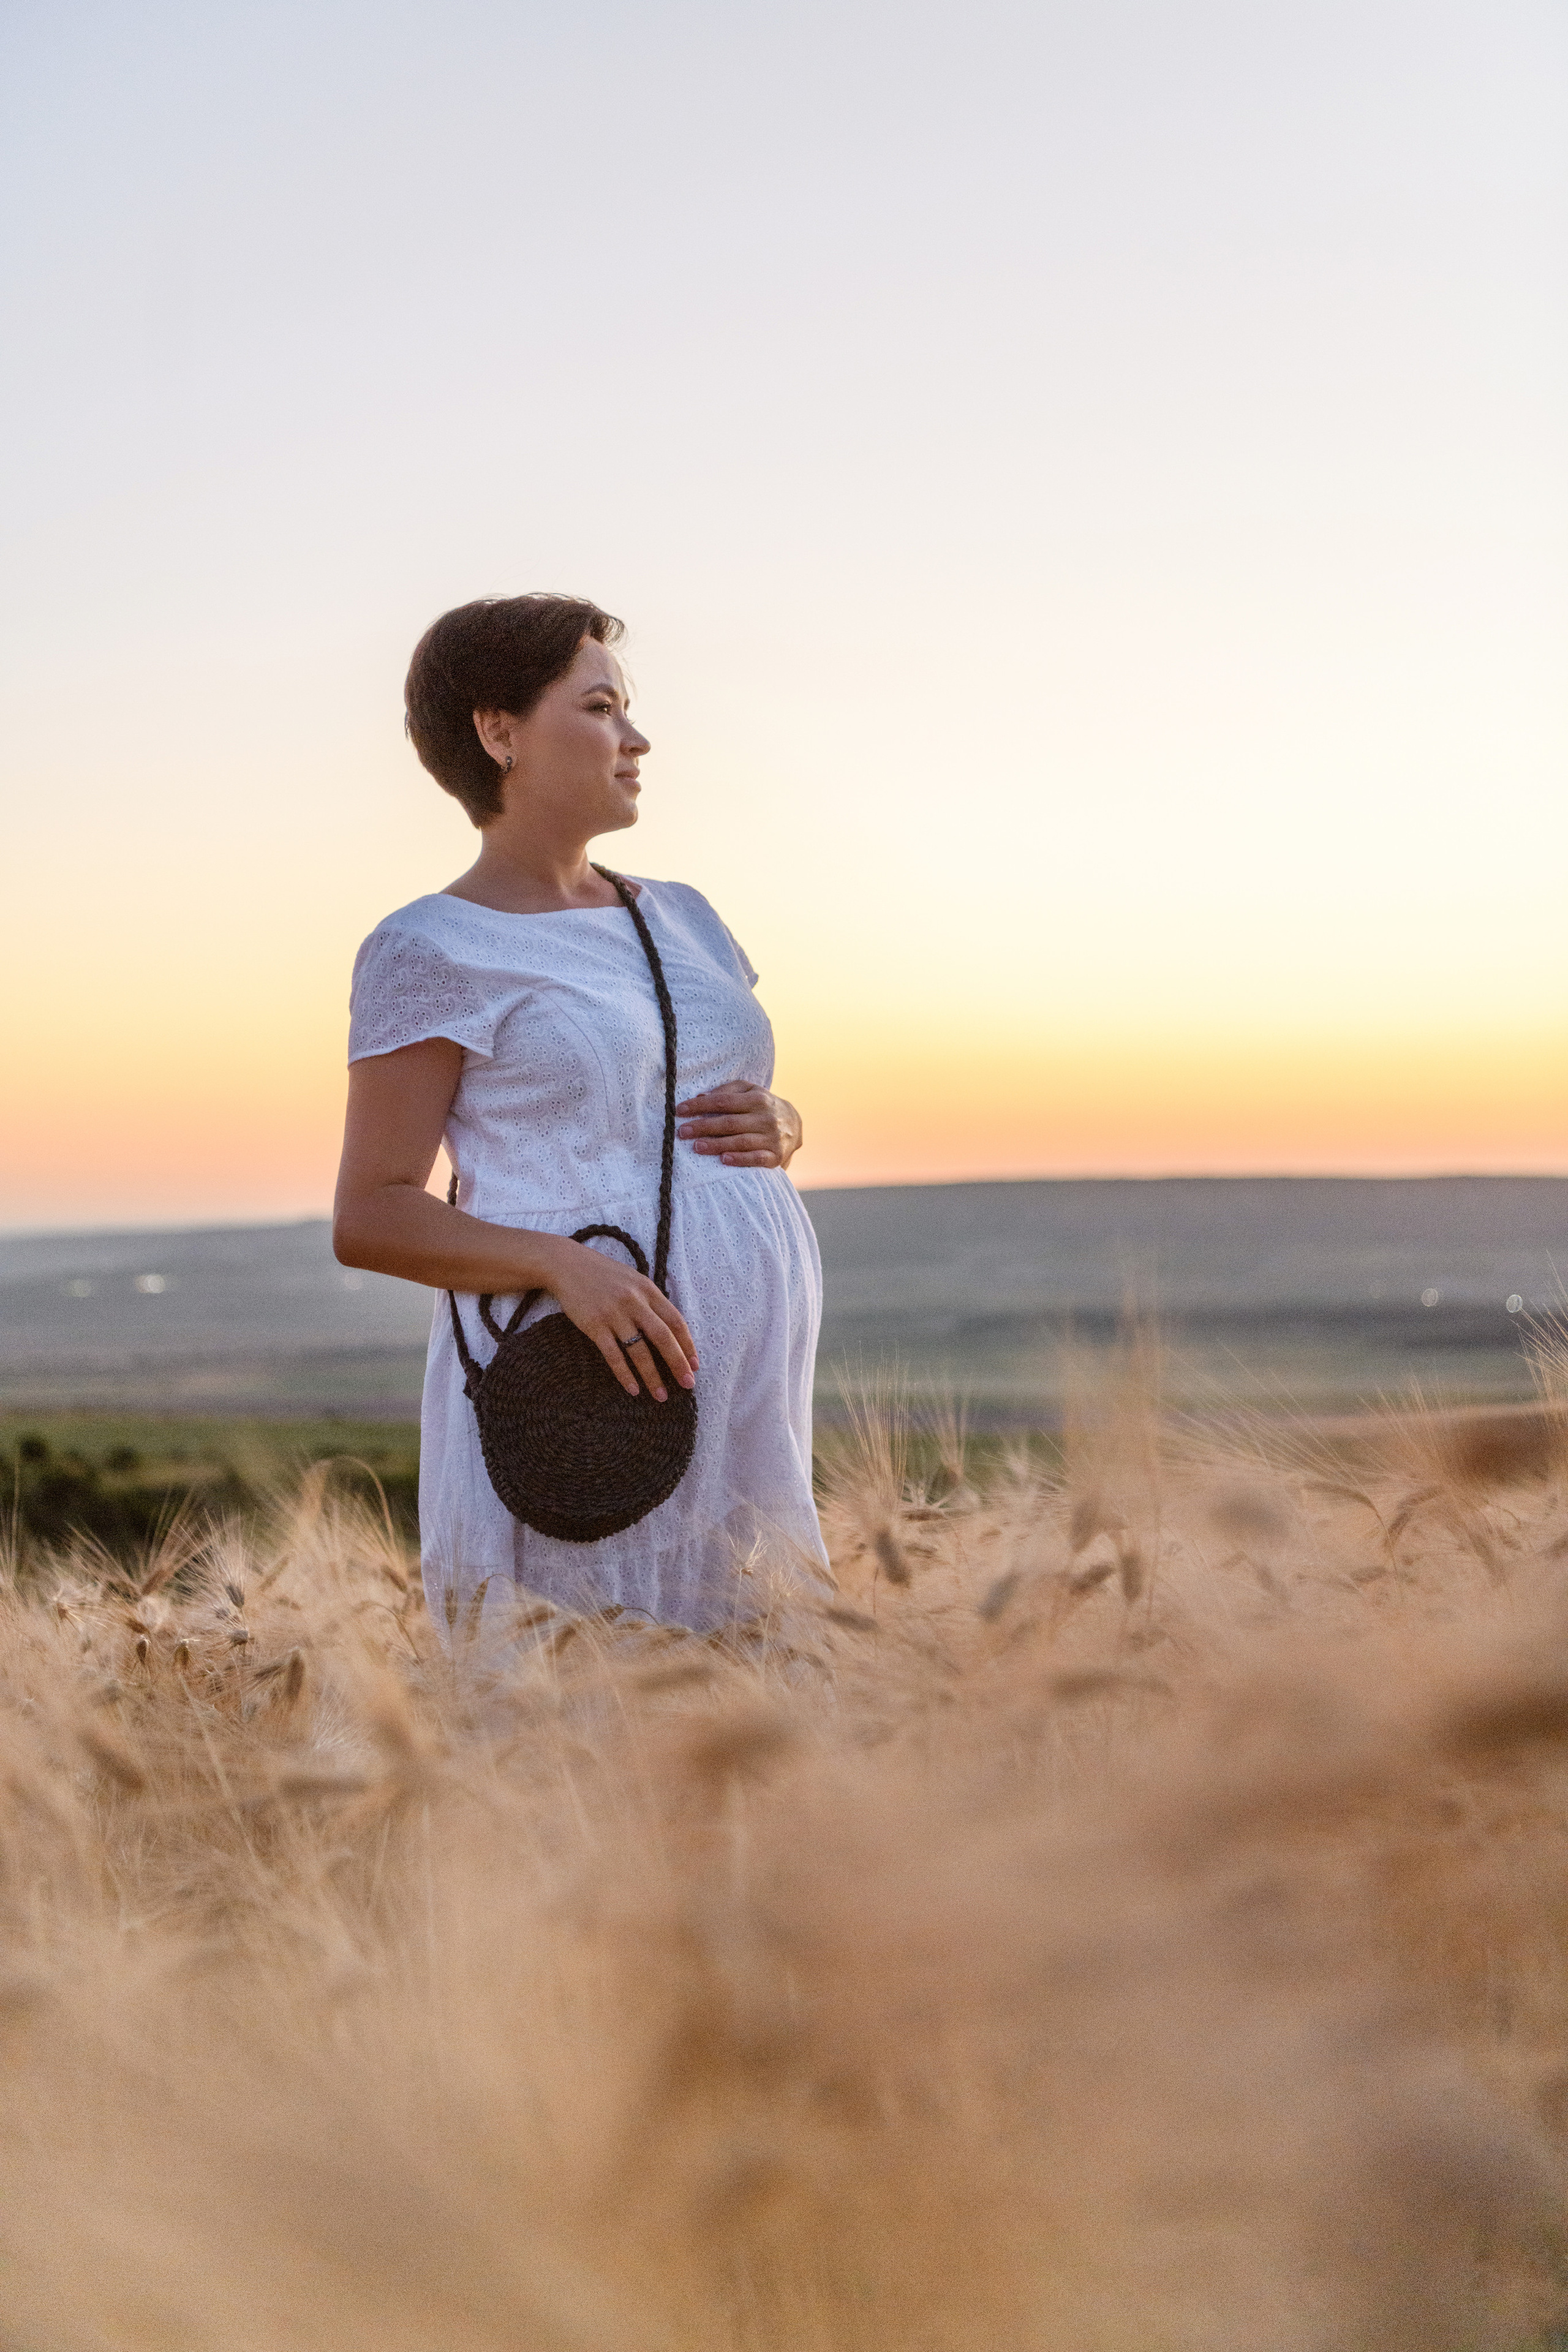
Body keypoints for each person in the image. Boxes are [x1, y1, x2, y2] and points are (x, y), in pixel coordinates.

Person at [333, 595, 827, 1636]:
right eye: (600, 707)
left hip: (746, 1393)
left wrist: (782, 1122)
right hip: (579, 1393)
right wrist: (564, 1263)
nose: (636, 738)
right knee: (581, 1727)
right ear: (498, 730)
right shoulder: (430, 947)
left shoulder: (686, 916)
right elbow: (372, 1214)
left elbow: (677, 1099)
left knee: (761, 1730)